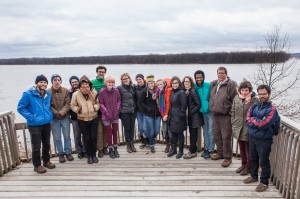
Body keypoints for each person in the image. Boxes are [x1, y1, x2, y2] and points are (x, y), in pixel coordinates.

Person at [243, 85, 280, 192]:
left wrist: (254, 121)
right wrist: (257, 120)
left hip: (264, 139)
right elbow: (247, 119)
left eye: (264, 93)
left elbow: (265, 124)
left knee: (264, 161)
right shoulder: (254, 106)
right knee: (253, 158)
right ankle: (254, 176)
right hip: (252, 137)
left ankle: (264, 182)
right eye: (260, 94)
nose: (262, 96)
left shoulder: (272, 109)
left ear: (269, 94)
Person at [17, 74, 55, 174]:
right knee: (36, 146)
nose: (43, 84)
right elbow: (21, 107)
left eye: (45, 82)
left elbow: (48, 106)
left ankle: (46, 161)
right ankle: (37, 165)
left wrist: (49, 115)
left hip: (46, 122)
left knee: (47, 144)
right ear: (36, 83)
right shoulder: (28, 94)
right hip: (34, 124)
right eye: (41, 82)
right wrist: (31, 117)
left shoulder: (47, 94)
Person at [209, 66, 237, 167]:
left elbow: (236, 99)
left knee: (226, 137)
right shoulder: (214, 83)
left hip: (225, 115)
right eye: (219, 73)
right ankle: (220, 153)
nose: (220, 75)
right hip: (215, 114)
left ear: (226, 73)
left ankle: (227, 157)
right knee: (216, 135)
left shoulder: (231, 84)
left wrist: (231, 113)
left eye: (222, 73)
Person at [71, 75, 99, 164]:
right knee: (86, 138)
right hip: (82, 119)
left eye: (87, 85)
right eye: (83, 85)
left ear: (89, 85)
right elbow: (72, 105)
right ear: (80, 85)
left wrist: (95, 108)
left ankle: (94, 155)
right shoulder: (76, 94)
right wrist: (79, 109)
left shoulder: (94, 93)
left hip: (94, 118)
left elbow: (98, 103)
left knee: (94, 137)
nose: (85, 87)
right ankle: (89, 155)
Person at [231, 81, 258, 175]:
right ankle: (243, 164)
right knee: (241, 147)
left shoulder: (254, 100)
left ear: (250, 90)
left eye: (246, 90)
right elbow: (233, 111)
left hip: (248, 127)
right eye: (242, 90)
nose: (244, 92)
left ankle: (248, 167)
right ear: (240, 90)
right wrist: (232, 122)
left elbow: (257, 114)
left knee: (248, 149)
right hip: (237, 127)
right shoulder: (236, 98)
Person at [48, 74, 74, 163]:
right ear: (52, 81)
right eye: (55, 80)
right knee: (57, 138)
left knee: (67, 136)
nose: (57, 81)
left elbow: (68, 103)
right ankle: (61, 154)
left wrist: (62, 113)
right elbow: (48, 105)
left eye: (59, 80)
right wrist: (56, 113)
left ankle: (68, 152)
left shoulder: (66, 91)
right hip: (54, 118)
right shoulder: (47, 92)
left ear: (61, 81)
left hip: (65, 117)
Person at [194, 70, 215, 159]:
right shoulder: (194, 87)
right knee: (205, 132)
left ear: (203, 77)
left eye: (200, 77)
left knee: (211, 131)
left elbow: (215, 92)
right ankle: (206, 148)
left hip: (210, 112)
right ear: (195, 78)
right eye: (197, 77)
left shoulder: (208, 85)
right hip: (201, 113)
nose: (199, 79)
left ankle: (211, 149)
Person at [99, 76, 121, 159]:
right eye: (109, 82)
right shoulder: (102, 91)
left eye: (112, 82)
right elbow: (101, 103)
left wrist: (117, 109)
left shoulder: (116, 91)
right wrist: (106, 112)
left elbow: (119, 101)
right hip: (106, 116)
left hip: (115, 115)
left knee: (115, 132)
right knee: (109, 133)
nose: (111, 84)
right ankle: (110, 148)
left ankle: (115, 148)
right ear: (106, 83)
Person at [182, 76, 204, 159]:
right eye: (185, 81)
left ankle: (193, 152)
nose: (186, 82)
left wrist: (191, 112)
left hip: (195, 117)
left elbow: (198, 104)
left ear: (191, 82)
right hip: (191, 117)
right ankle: (192, 150)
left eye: (188, 81)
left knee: (193, 135)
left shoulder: (193, 91)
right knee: (192, 134)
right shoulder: (187, 91)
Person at [140, 75, 161, 153]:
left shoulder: (158, 91)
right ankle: (152, 145)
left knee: (157, 131)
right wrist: (147, 108)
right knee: (151, 131)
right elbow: (140, 103)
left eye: (152, 83)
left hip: (158, 114)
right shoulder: (144, 92)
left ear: (154, 83)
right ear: (147, 84)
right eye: (149, 84)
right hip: (148, 115)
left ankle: (150, 139)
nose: (151, 85)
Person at [167, 76, 187, 159]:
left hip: (179, 117)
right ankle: (173, 149)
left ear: (179, 83)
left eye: (176, 83)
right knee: (173, 134)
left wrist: (181, 115)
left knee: (180, 134)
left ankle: (181, 151)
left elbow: (184, 105)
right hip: (172, 116)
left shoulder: (181, 92)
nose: (174, 85)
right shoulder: (173, 92)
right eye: (173, 83)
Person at [117, 73, 137, 153]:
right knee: (127, 128)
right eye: (123, 79)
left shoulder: (133, 87)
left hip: (133, 111)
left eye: (127, 78)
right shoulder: (119, 88)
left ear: (129, 79)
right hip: (124, 112)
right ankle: (128, 145)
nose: (125, 80)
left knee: (132, 128)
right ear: (122, 80)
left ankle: (132, 144)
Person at [91, 65, 108, 158]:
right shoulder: (92, 82)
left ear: (105, 73)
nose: (101, 73)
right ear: (97, 72)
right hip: (97, 111)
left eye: (103, 72)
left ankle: (105, 147)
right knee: (99, 131)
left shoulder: (107, 82)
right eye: (99, 71)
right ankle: (100, 149)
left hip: (106, 110)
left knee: (106, 130)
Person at [69, 75, 86, 159]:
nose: (74, 83)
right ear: (70, 84)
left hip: (83, 117)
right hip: (75, 118)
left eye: (75, 82)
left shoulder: (82, 91)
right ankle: (79, 151)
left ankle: (85, 150)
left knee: (85, 134)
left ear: (78, 82)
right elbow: (69, 105)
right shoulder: (69, 93)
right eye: (72, 82)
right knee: (77, 135)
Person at [156, 78, 172, 153]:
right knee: (165, 131)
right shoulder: (159, 92)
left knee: (169, 131)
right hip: (162, 114)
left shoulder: (168, 91)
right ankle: (167, 145)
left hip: (168, 114)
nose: (159, 86)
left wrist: (166, 114)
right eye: (158, 85)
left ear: (164, 84)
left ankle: (172, 146)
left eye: (161, 84)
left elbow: (168, 103)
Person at [135, 74, 147, 149]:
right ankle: (143, 142)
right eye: (137, 79)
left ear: (143, 79)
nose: (139, 81)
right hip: (139, 111)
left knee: (146, 127)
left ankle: (149, 141)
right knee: (141, 127)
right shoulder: (135, 88)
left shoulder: (147, 87)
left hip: (146, 111)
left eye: (140, 79)